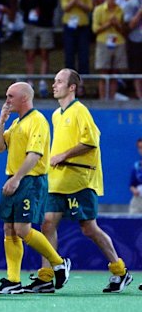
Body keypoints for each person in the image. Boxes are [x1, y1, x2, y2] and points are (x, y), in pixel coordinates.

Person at [40, 68, 133, 293]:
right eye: (54, 81)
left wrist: (63, 155)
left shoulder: (80, 110)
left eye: (59, 81)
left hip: (80, 179)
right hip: (57, 180)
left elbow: (91, 142)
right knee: (47, 224)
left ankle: (120, 271)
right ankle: (47, 276)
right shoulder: (56, 114)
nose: (54, 85)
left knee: (89, 229)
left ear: (72, 87)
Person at [0, 82, 71, 294]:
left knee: (23, 229)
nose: (6, 100)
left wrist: (17, 179)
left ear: (24, 98)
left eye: (10, 96)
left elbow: (34, 155)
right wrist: (1, 121)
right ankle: (13, 280)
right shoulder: (16, 123)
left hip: (30, 181)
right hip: (14, 178)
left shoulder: (38, 121)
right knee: (9, 229)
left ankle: (58, 262)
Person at [19, 0, 58, 98]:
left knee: (44, 53)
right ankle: (30, 82)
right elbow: (23, 6)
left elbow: (52, 5)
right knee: (29, 53)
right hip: (30, 24)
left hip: (45, 25)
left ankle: (42, 81)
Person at [92, 0, 127, 100]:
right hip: (103, 42)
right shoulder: (98, 10)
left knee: (114, 72)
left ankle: (111, 98)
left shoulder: (120, 10)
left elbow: (123, 30)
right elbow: (95, 29)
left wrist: (116, 24)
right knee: (104, 71)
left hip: (118, 42)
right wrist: (108, 24)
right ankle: (103, 99)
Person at [60, 0, 93, 80]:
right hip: (69, 27)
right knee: (69, 53)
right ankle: (69, 78)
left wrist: (79, 3)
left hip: (82, 27)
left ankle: (83, 80)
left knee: (83, 53)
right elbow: (65, 7)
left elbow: (89, 8)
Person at [123, 0, 142, 99]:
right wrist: (140, 12)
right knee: (137, 69)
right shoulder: (130, 4)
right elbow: (129, 25)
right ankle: (139, 96)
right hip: (135, 39)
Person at [129, 138, 142, 214]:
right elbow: (132, 184)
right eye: (140, 148)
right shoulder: (137, 166)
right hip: (138, 198)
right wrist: (134, 190)